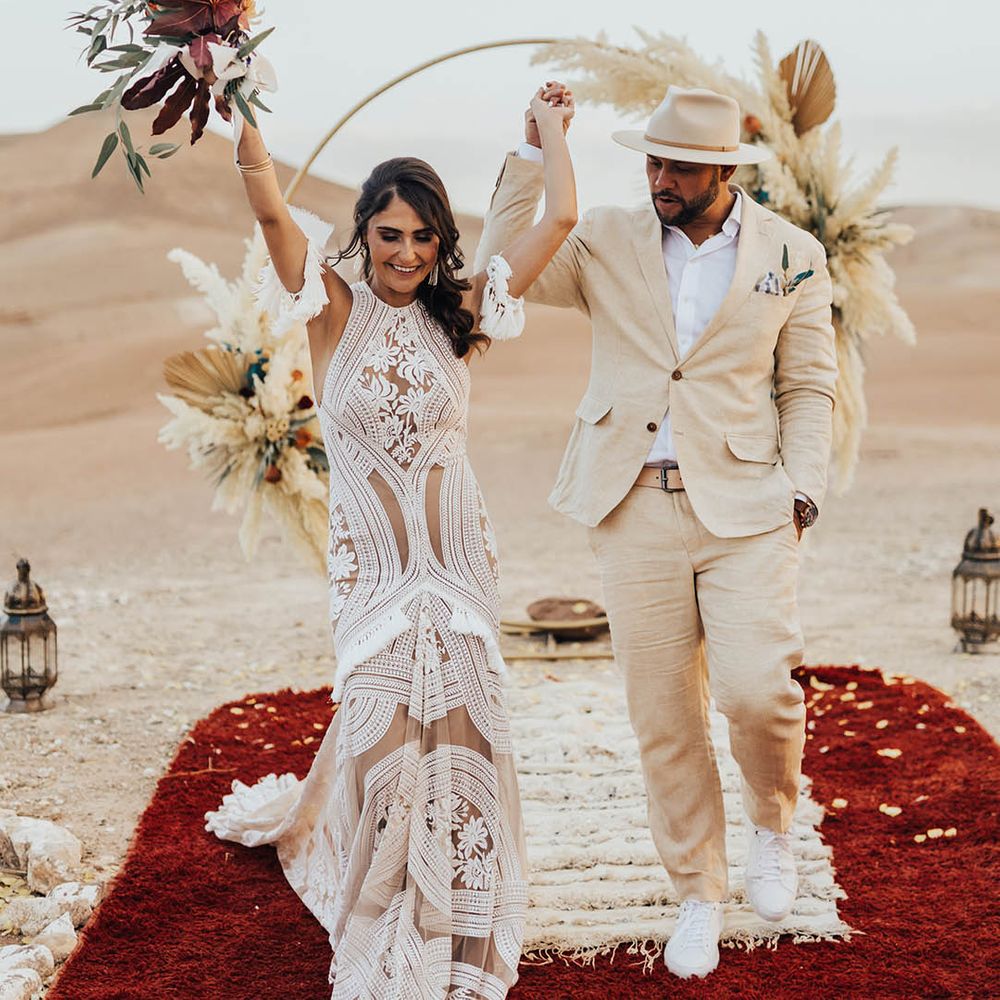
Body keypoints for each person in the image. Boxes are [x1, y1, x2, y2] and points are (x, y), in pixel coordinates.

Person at [204, 84, 577, 999]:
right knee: (383, 744)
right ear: (362, 234)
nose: (407, 253)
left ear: (441, 241)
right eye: (389, 234)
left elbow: (561, 214)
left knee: (467, 736)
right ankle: (385, 915)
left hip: (460, 562)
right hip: (371, 571)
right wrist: (227, 83)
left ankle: (462, 913)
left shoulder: (462, 315)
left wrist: (548, 132)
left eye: (423, 236)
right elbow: (261, 193)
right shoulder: (330, 307)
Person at [475, 83, 837, 980]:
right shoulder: (604, 234)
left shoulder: (791, 254)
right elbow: (496, 273)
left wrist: (805, 491)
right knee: (663, 715)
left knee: (760, 690)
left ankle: (773, 827)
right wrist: (530, 155)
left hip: (751, 505)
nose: (658, 176)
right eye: (651, 159)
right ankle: (698, 894)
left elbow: (808, 386)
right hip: (629, 501)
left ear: (721, 170)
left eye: (677, 164)